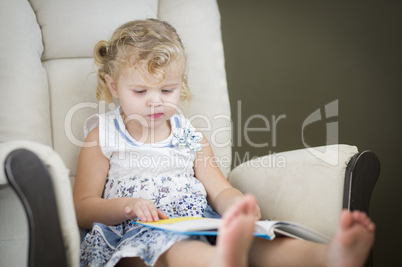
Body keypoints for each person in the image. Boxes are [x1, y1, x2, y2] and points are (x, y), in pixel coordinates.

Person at [73, 18, 375, 267]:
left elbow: (219, 188)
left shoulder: (191, 137)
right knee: (171, 251)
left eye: (167, 90)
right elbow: (83, 207)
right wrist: (127, 206)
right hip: (136, 235)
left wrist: (236, 206)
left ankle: (329, 256)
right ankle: (221, 261)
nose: (155, 102)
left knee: (259, 242)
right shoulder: (103, 136)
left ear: (182, 84)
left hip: (199, 224)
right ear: (113, 86)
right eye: (140, 92)